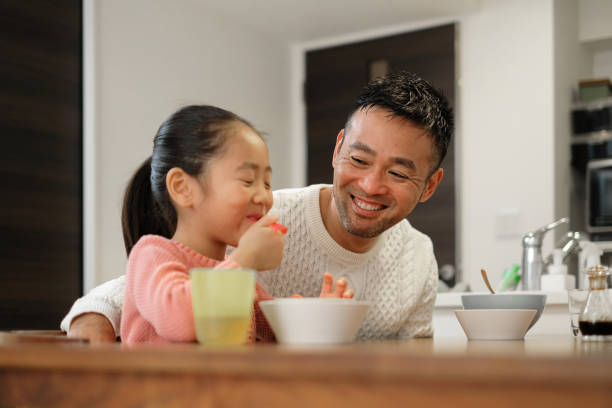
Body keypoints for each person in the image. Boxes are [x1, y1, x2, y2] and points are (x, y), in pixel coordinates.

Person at [61, 71, 453, 342]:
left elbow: (280, 325)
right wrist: (92, 314)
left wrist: (322, 315)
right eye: (360, 160)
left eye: (398, 174)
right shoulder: (254, 225)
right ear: (337, 150)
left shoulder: (418, 258)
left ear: (430, 185)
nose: (370, 185)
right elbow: (142, 287)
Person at [115, 105, 352, 344]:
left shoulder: (237, 275)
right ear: (182, 187)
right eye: (248, 181)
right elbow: (183, 321)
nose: (264, 196)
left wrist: (320, 315)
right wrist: (245, 261)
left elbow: (280, 335)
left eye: (267, 183)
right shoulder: (153, 254)